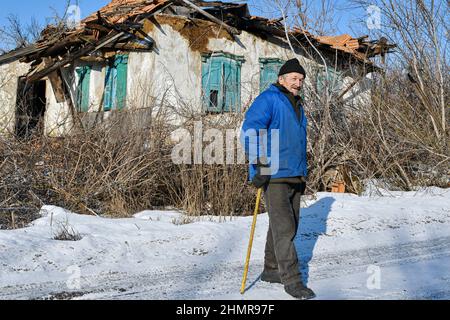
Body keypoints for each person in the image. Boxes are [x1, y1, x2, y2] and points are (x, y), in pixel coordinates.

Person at [241, 58, 316, 300]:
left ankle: (272, 269)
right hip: (273, 173)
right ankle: (292, 281)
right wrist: (259, 164)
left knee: (285, 224)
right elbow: (252, 130)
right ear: (281, 79)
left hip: (294, 172)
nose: (298, 83)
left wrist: (302, 172)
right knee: (285, 229)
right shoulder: (269, 99)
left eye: (301, 79)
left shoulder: (297, 103)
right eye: (294, 78)